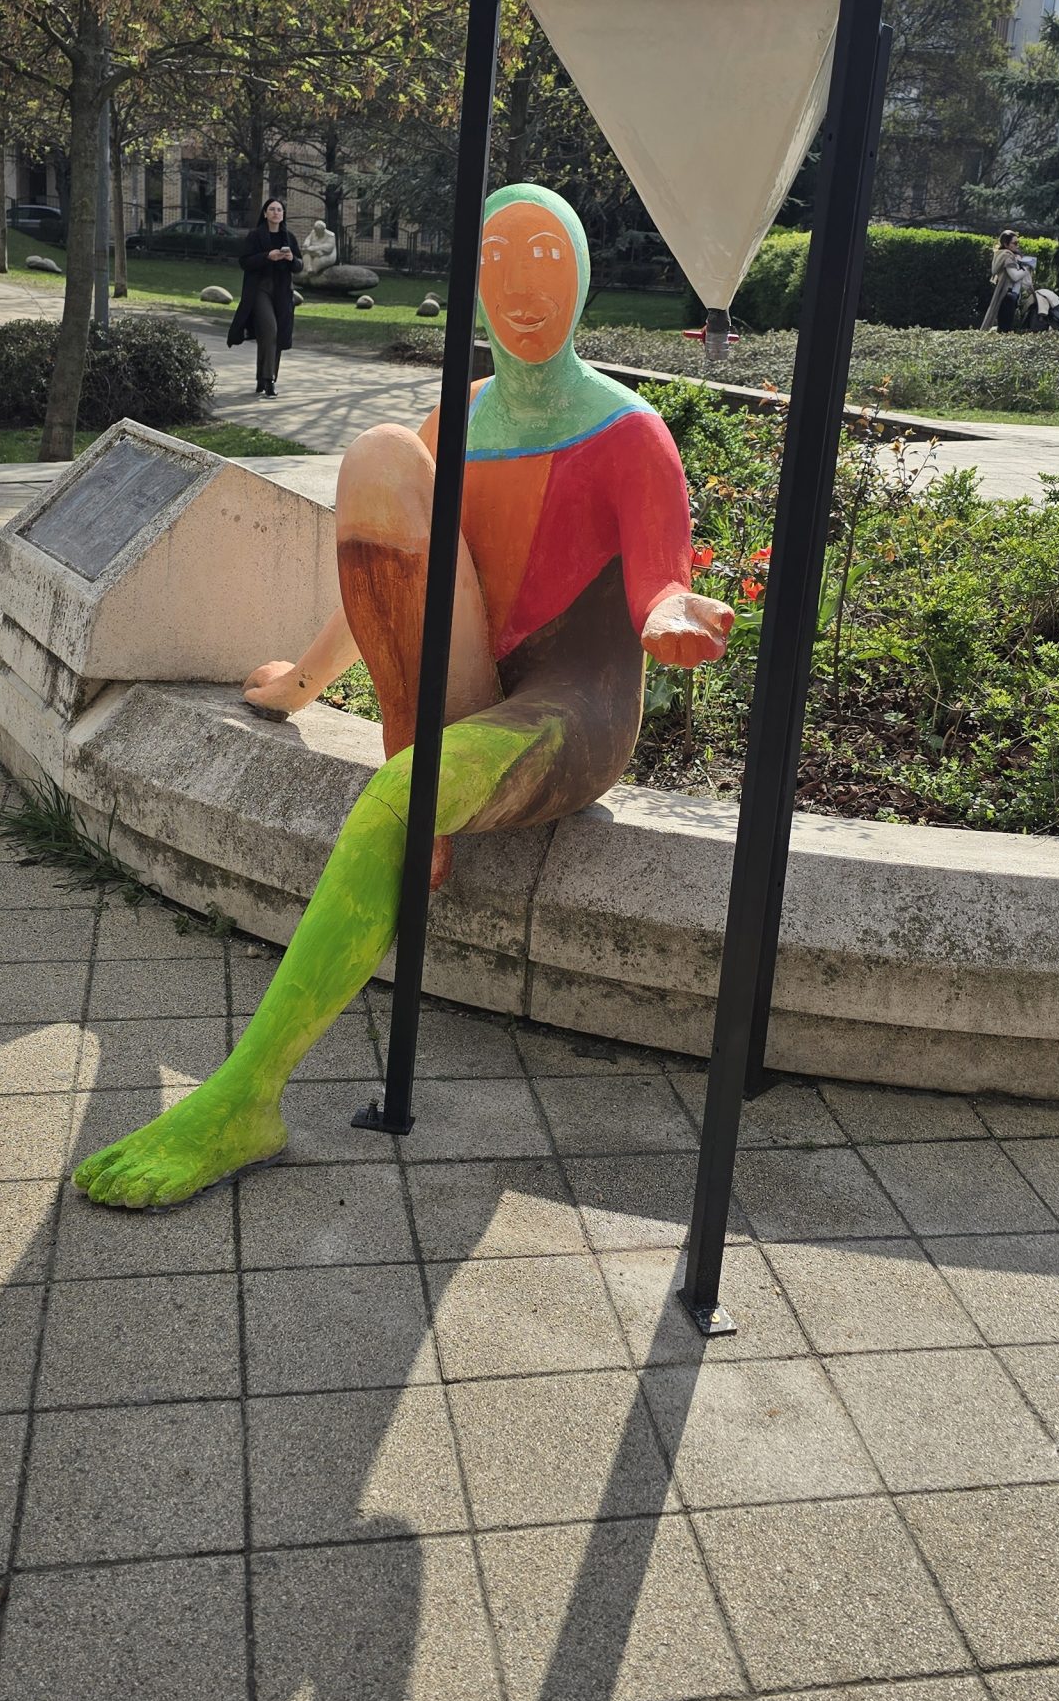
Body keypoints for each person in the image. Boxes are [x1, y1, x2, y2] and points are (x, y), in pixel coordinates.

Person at [73, 181, 735, 1210]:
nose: (522, 289)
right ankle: (418, 780)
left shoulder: (630, 433)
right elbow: (391, 584)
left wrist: (670, 613)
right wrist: (299, 684)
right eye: (499, 261)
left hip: (573, 713)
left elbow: (659, 581)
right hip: (470, 688)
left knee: (399, 797)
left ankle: (247, 1095)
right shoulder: (455, 420)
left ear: (582, 276)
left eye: (548, 259)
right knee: (382, 458)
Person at [228, 195, 301, 394]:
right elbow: (245, 262)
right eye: (272, 209)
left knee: (276, 335)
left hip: (282, 291)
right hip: (260, 289)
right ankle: (269, 381)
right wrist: (267, 256)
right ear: (265, 214)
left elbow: (299, 266)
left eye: (279, 210)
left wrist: (291, 258)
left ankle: (263, 377)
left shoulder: (289, 237)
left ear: (283, 214)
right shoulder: (255, 236)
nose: (276, 213)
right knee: (269, 330)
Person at [981, 228, 1034, 331]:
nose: (1017, 245)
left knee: (1005, 328)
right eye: (1015, 243)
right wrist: (1026, 268)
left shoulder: (1010, 256)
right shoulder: (1007, 257)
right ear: (1006, 244)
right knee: (1005, 329)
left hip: (1011, 295)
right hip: (1008, 295)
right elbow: (1015, 276)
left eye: (1018, 242)